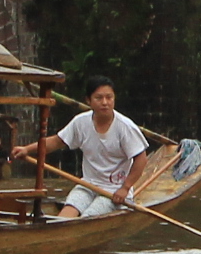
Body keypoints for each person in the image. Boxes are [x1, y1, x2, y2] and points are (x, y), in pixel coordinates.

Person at [36, 82, 160, 218]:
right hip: (88, 185)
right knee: (65, 214)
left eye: (109, 97)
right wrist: (25, 150)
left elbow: (141, 159)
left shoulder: (125, 127)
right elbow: (57, 141)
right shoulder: (80, 122)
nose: (105, 102)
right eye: (99, 98)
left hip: (113, 191)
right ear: (88, 100)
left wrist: (125, 188)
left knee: (88, 217)